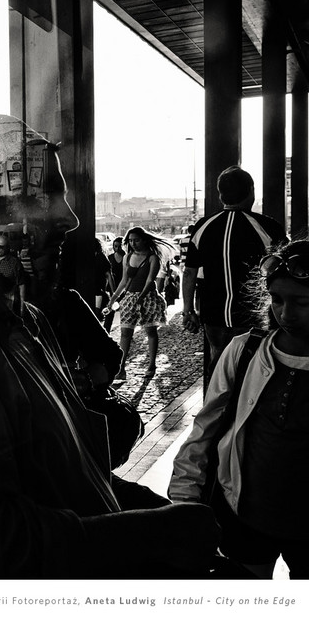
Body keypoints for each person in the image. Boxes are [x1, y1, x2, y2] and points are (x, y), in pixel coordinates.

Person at [0, 113, 221, 578]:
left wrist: (138, 508)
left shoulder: (24, 323)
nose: (69, 218)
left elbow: (60, 475)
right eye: (43, 194)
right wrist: (146, 533)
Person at [169, 239, 309, 578]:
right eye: (277, 299)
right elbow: (207, 427)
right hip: (245, 512)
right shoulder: (244, 352)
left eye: (302, 302)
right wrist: (184, 497)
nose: (286, 313)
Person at [181, 166, 287, 386]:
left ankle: (216, 414)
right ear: (251, 191)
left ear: (220, 195)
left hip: (214, 313)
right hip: (254, 313)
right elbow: (282, 272)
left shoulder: (203, 227)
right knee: (254, 370)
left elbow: (189, 272)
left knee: (219, 365)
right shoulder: (267, 226)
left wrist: (188, 310)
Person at [104, 226, 175, 381]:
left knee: (150, 331)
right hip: (130, 297)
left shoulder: (152, 258)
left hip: (148, 297)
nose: (133, 243)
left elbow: (150, 281)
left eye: (136, 240)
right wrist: (113, 299)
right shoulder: (127, 257)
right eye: (130, 240)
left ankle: (151, 365)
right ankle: (121, 368)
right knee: (125, 333)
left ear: (143, 240)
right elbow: (124, 281)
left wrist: (141, 297)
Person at [0, 234, 26, 313]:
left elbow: (22, 284)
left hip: (8, 303)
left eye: (1, 247)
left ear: (7, 247)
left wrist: (22, 305)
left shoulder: (14, 263)